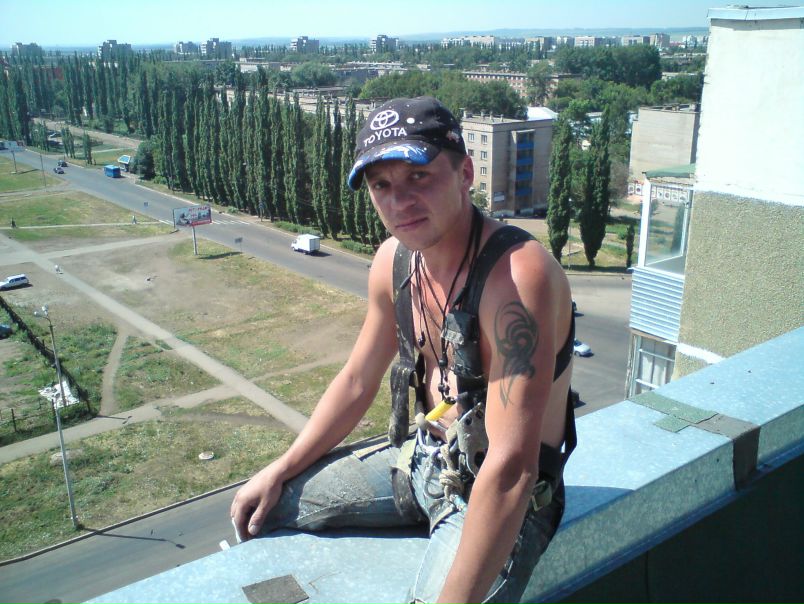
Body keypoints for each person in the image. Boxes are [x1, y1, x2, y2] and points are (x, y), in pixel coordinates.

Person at [231, 97, 576, 604]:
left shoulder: (516, 278)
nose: (399, 202)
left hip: (499, 498)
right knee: (265, 507)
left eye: (419, 177)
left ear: (465, 173)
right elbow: (357, 380)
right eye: (381, 185)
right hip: (421, 460)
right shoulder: (394, 261)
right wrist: (280, 469)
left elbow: (510, 471)